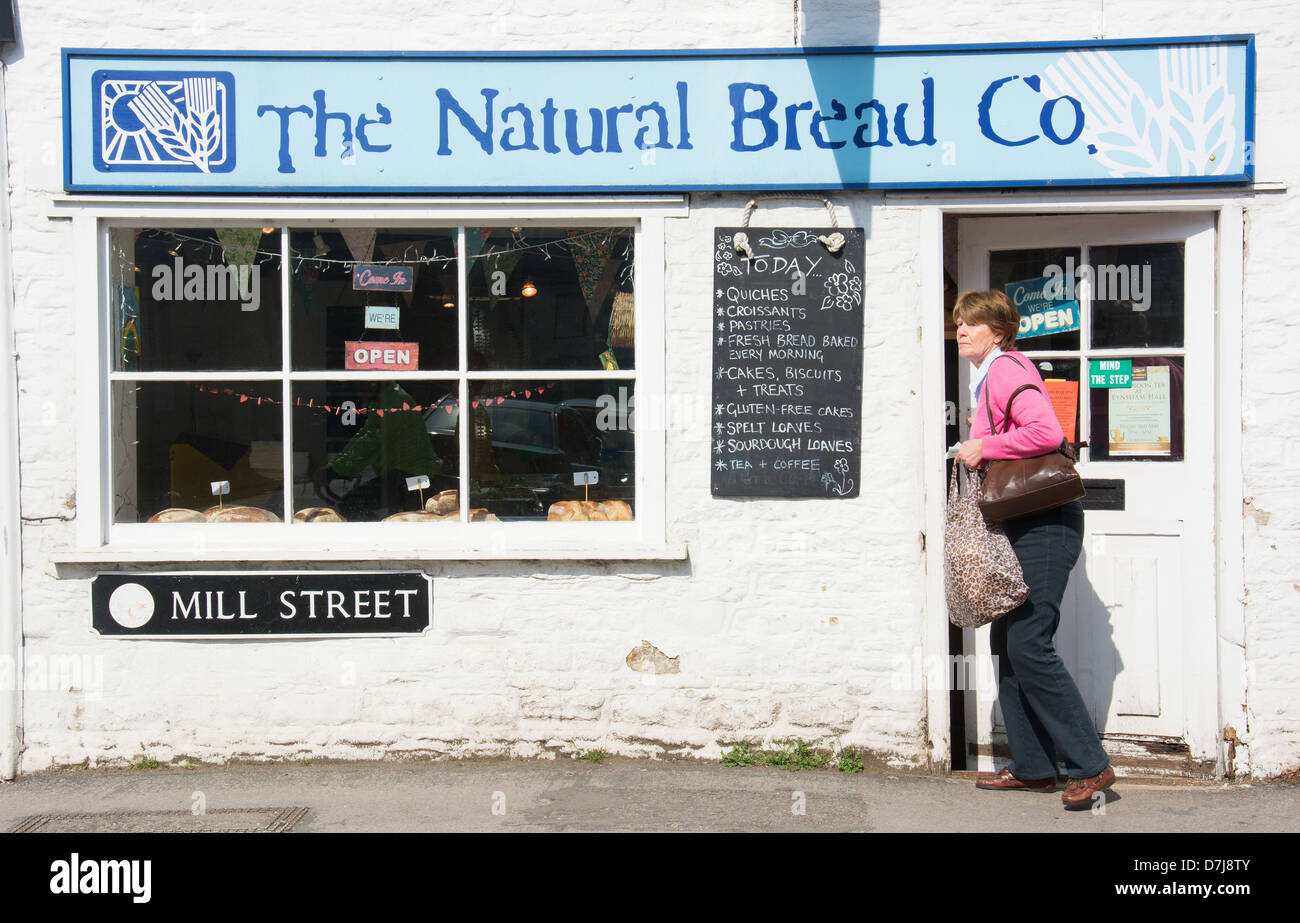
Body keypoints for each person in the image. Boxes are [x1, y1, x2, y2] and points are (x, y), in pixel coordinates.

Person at [952, 289, 1115, 811]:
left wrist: (984, 446)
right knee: (1007, 638)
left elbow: (1047, 431)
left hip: (1046, 523)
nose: (962, 330)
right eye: (959, 322)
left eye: (972, 323)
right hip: (1025, 523)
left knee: (1028, 641)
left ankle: (1091, 765)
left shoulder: (1004, 369)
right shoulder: (988, 376)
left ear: (997, 332)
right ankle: (1035, 767)